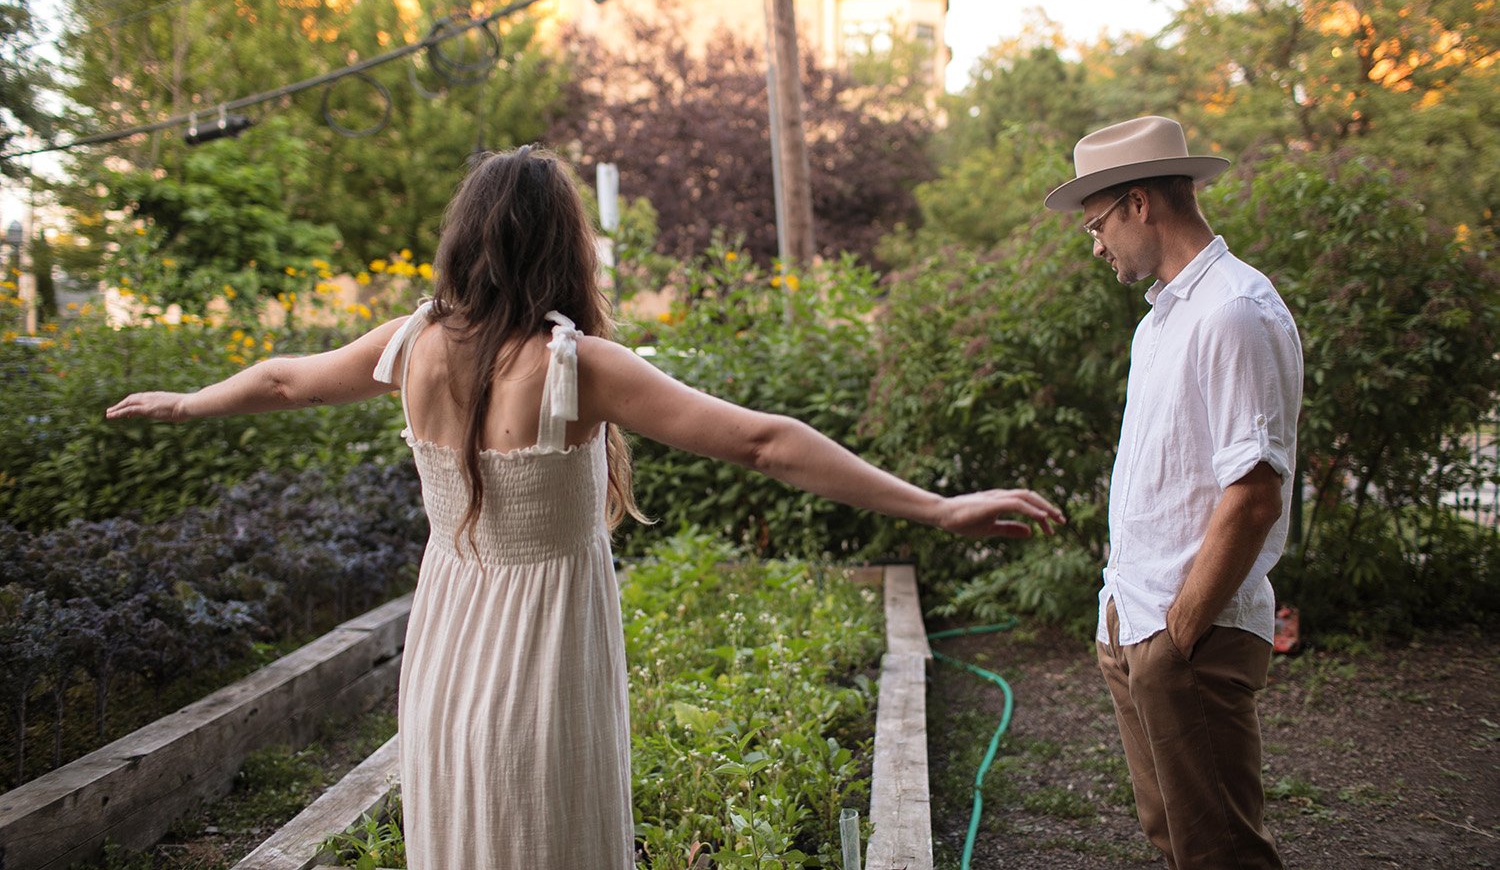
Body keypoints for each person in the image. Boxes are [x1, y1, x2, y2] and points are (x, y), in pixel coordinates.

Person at [109, 145, 1065, 869]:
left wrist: (187, 402)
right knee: (545, 825)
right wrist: (938, 510)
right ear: (563, 243)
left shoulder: (412, 344)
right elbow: (765, 443)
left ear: (466, 239)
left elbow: (281, 382)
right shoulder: (574, 365)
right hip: (542, 647)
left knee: (467, 829)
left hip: (449, 637)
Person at [1044, 116, 1302, 869]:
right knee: (1180, 841)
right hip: (1137, 621)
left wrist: (1175, 636)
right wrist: (1127, 627)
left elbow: (1253, 493)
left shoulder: (1233, 311)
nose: (1095, 244)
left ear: (1139, 204)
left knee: (1220, 851)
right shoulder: (1162, 321)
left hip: (1189, 633)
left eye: (1096, 224)